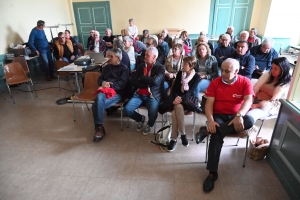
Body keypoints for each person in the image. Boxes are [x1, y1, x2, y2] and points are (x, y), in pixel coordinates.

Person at [195, 58, 254, 193]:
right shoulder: (215, 83)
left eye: (228, 71)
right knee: (216, 137)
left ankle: (207, 131)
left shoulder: (245, 82)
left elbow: (248, 101)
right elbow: (209, 104)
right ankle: (212, 173)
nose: (224, 73)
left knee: (249, 120)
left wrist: (239, 116)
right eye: (223, 70)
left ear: (237, 71)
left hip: (236, 115)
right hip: (219, 115)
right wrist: (210, 120)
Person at [123, 47, 165, 135]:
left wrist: (141, 78)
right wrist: (147, 82)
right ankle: (140, 119)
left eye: (147, 55)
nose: (144, 57)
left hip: (153, 95)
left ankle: (149, 124)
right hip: (139, 94)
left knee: (153, 112)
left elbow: (155, 81)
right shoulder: (141, 66)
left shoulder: (160, 68)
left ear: (154, 57)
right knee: (126, 110)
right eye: (144, 54)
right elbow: (133, 80)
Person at [92, 48, 129, 142]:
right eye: (108, 56)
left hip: (117, 93)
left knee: (95, 105)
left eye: (111, 56)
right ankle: (99, 127)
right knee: (100, 97)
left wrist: (109, 86)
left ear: (118, 58)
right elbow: (99, 80)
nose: (108, 58)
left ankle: (99, 128)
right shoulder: (106, 68)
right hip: (105, 91)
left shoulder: (124, 69)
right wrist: (103, 82)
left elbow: (122, 84)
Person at [167, 56, 201, 151]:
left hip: (188, 100)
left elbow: (191, 91)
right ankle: (182, 134)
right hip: (178, 100)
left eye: (185, 64)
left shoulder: (196, 77)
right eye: (183, 63)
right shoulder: (179, 74)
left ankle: (173, 139)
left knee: (175, 112)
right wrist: (177, 98)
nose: (182, 65)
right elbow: (175, 89)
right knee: (177, 109)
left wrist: (180, 99)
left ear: (191, 66)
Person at [247, 57, 291, 123]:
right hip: (254, 100)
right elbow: (254, 90)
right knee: (235, 110)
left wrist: (256, 105)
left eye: (275, 69)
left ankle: (247, 128)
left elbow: (276, 103)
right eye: (272, 68)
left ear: (283, 69)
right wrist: (250, 101)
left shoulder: (286, 85)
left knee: (248, 117)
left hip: (267, 108)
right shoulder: (267, 75)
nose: (272, 71)